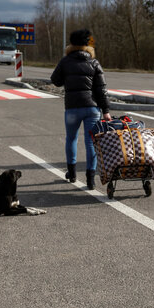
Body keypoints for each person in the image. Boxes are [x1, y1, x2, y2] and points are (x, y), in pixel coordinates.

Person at [50, 28, 112, 190]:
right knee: (91, 142)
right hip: (92, 109)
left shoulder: (65, 61)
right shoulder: (94, 62)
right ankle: (91, 179)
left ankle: (71, 174)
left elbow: (55, 80)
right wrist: (106, 110)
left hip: (72, 108)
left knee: (71, 139)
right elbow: (101, 89)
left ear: (71, 43)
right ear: (87, 44)